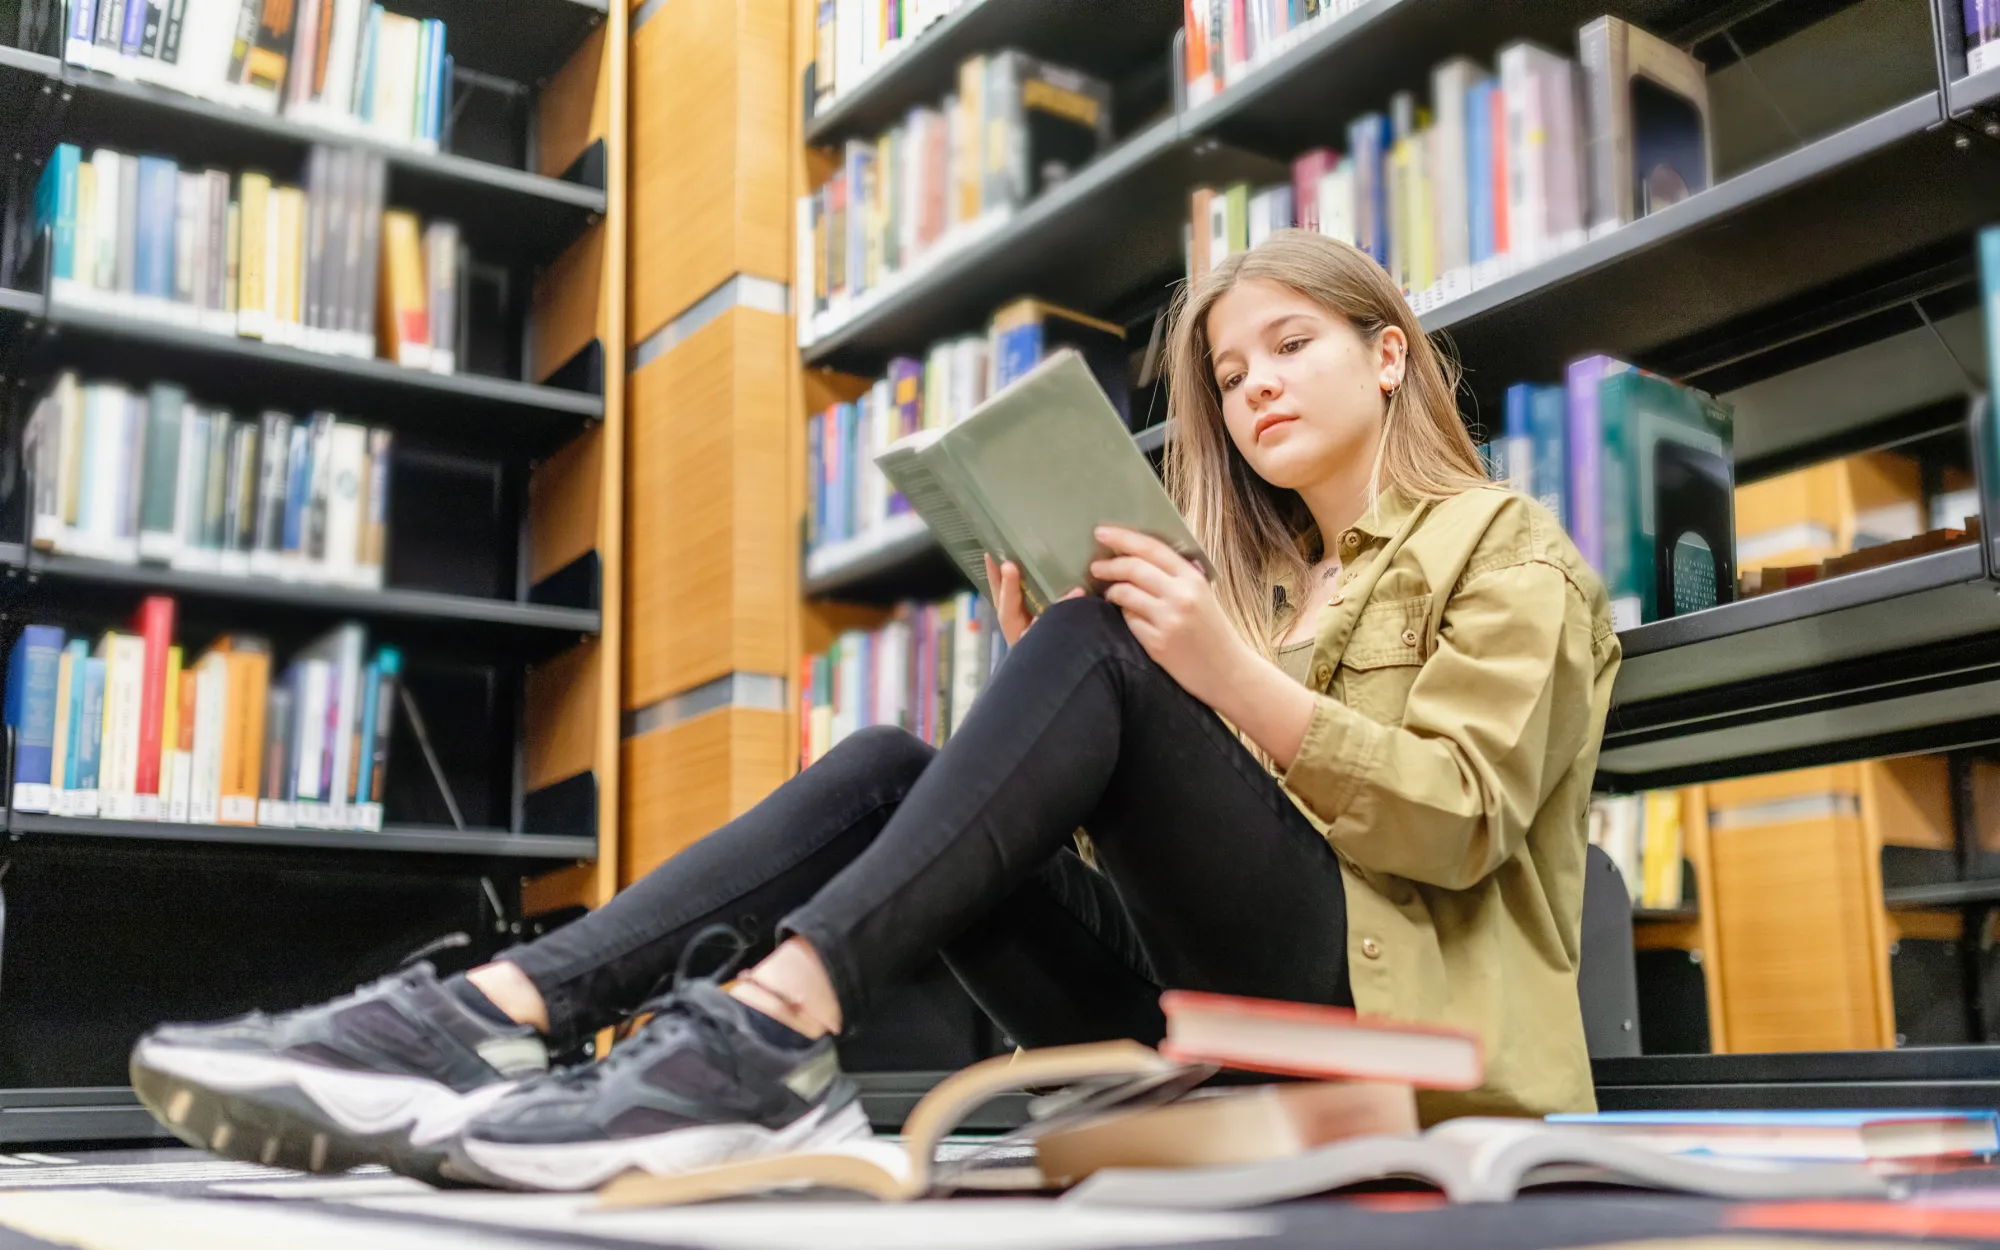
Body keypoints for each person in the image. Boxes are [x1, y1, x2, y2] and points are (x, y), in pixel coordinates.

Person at [130, 229, 1619, 1192]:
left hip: (1396, 1034)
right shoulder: (1278, 595)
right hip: (1207, 1022)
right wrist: (1067, 706)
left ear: (1387, 350)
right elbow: (1192, 870)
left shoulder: (1511, 551)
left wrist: (1211, 674)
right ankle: (501, 1013)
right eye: (1228, 377)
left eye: (1291, 346)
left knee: (1112, 640)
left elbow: (1460, 825)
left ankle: (767, 1036)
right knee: (895, 759)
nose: (1254, 391)